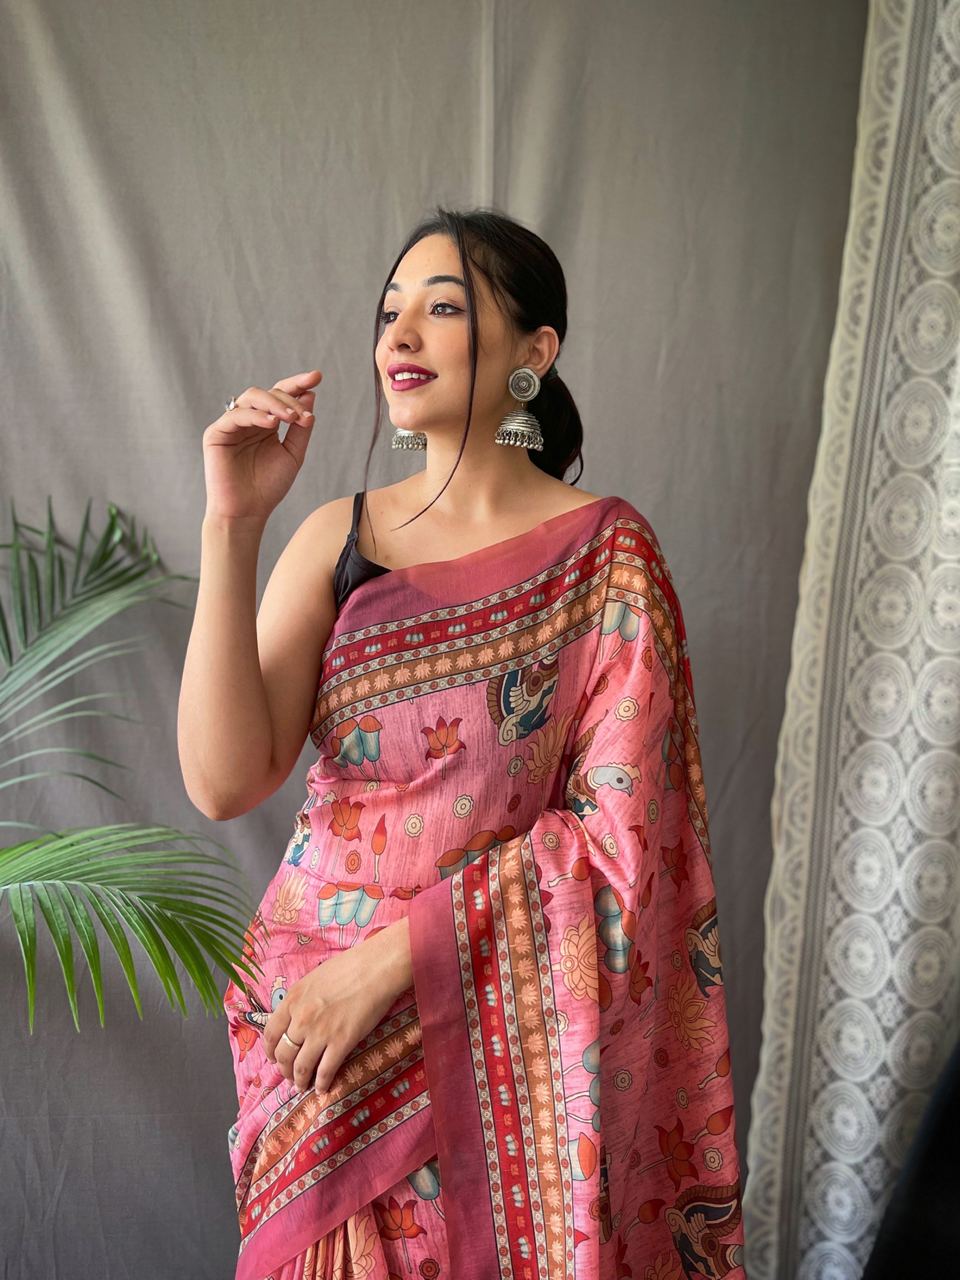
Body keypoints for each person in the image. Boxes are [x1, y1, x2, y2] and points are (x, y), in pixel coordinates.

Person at [178, 206, 746, 1280]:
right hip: (312, 1044)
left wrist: (397, 959)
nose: (399, 335)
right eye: (389, 311)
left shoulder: (607, 561)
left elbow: (627, 845)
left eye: (442, 308)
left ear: (536, 351)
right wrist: (231, 522)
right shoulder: (339, 537)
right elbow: (221, 779)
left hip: (492, 1044)